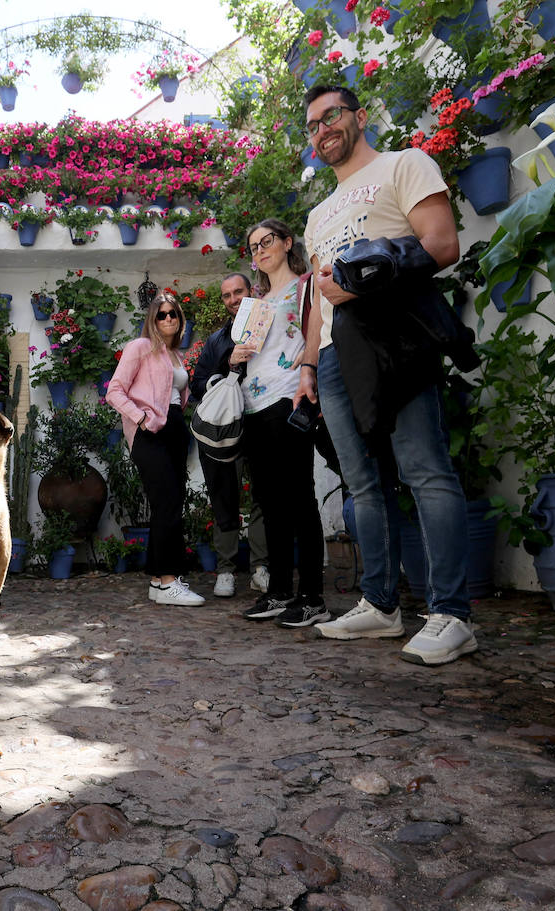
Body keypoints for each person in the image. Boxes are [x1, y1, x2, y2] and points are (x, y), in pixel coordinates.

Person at [299, 84, 478, 665]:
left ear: (359, 116)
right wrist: (308, 365)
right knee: (361, 484)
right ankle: (379, 605)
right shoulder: (317, 215)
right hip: (333, 354)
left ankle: (452, 613)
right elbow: (317, 301)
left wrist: (367, 277)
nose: (323, 129)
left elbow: (442, 244)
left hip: (392, 337)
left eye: (332, 116)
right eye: (312, 125)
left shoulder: (406, 164)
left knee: (425, 469)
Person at [228, 219, 327, 627]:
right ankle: (280, 591)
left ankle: (312, 596)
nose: (260, 250)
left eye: (267, 241)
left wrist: (310, 373)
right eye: (253, 247)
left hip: (290, 397)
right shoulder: (254, 302)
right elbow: (245, 354)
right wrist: (235, 358)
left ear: (287, 243)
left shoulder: (305, 287)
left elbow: (317, 332)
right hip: (254, 404)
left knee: (299, 497)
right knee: (269, 503)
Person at [106, 290, 205, 606]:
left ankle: (157, 581)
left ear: (180, 319)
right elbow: (114, 392)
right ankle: (168, 581)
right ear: (152, 318)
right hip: (151, 432)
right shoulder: (140, 347)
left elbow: (177, 395)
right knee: (167, 502)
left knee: (172, 502)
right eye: (161, 314)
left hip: (175, 429)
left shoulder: (176, 355)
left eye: (173, 313)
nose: (168, 319)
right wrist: (141, 418)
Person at [189, 272, 270, 599]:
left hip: (264, 419)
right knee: (225, 494)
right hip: (226, 426)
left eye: (238, 292)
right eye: (227, 295)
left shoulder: (270, 326)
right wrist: (227, 365)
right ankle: (225, 569)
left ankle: (261, 568)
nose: (234, 299)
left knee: (265, 492)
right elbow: (196, 386)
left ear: (251, 292)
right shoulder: (216, 341)